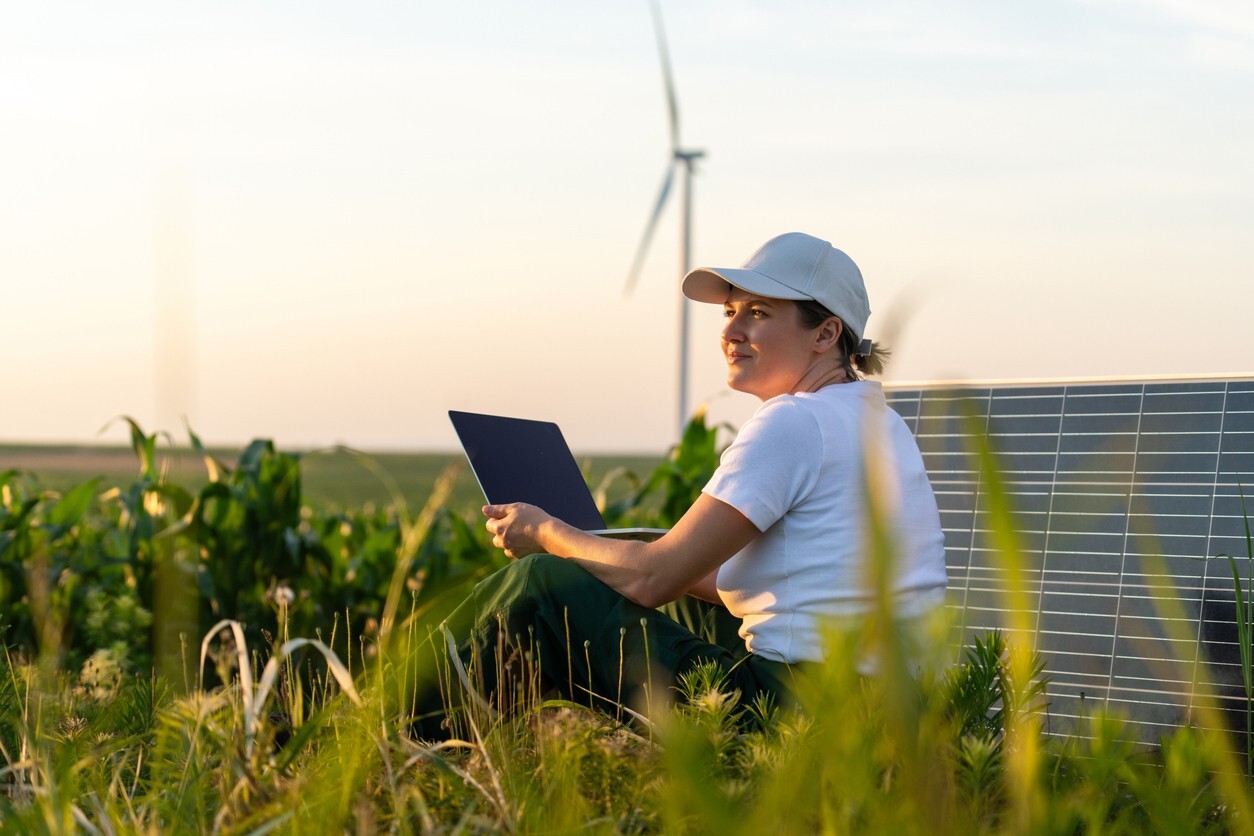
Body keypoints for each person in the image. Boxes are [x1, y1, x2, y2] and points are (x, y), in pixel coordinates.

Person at [413, 232, 947, 739]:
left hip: (799, 713)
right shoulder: (879, 423)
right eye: (730, 312)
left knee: (542, 587)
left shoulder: (794, 422)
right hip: (892, 711)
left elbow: (654, 580)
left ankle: (398, 735)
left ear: (826, 334)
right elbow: (791, 580)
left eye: (759, 313)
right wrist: (610, 553)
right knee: (687, 599)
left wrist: (548, 533)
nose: (731, 332)